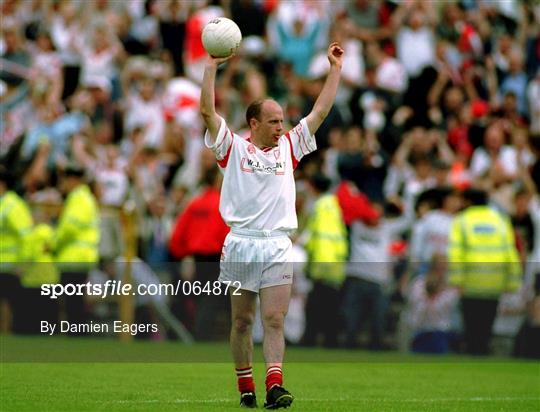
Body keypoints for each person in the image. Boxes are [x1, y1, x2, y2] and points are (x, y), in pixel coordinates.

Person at [200, 42, 344, 409]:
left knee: (275, 318)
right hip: (242, 243)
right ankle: (245, 386)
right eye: (274, 121)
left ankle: (275, 385)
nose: (282, 127)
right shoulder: (232, 148)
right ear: (254, 123)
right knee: (243, 322)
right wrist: (211, 66)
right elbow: (207, 111)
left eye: (282, 121)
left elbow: (321, 111)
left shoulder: (289, 148)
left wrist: (335, 69)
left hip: (278, 243)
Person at [448, 188, 522, 355]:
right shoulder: (500, 220)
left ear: (467, 201)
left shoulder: (462, 220)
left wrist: (456, 281)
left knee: (471, 324)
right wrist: (512, 282)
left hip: (471, 282)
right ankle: (483, 352)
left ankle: (472, 353)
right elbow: (510, 252)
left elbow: (456, 253)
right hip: (495, 281)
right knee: (486, 324)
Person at [54, 166, 100, 333]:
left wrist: (52, 243)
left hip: (75, 257)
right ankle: (78, 332)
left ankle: (78, 333)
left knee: (73, 300)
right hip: (80, 256)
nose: (62, 185)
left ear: (72, 180)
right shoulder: (84, 198)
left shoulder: (79, 198)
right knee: (76, 298)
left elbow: (69, 227)